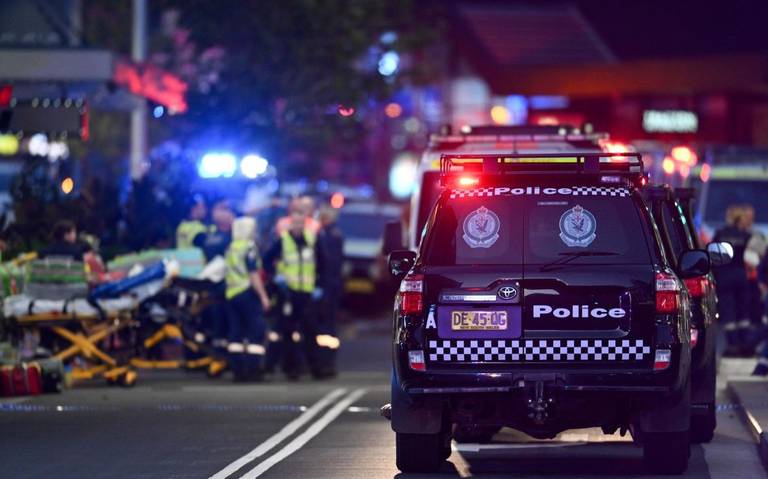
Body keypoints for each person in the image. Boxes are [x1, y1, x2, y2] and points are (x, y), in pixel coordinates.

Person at [263, 207, 326, 379]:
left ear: (305, 223)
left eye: (301, 222)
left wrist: (319, 285)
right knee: (288, 333)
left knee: (310, 332)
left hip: (307, 293)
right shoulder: (283, 240)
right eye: (295, 222)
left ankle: (316, 369)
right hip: (288, 294)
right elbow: (266, 260)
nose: (298, 226)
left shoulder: (312, 239)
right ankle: (291, 369)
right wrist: (276, 277)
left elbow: (322, 263)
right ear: (291, 223)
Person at [225, 217, 271, 381]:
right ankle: (253, 370)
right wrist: (264, 296)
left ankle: (238, 371)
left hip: (231, 294)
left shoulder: (231, 247)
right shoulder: (249, 247)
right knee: (255, 331)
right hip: (247, 292)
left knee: (235, 333)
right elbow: (253, 274)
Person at [713, 205, 753, 356]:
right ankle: (745, 344)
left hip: (725, 276)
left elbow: (714, 255)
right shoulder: (746, 235)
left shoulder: (721, 234)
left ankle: (732, 345)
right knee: (743, 311)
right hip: (741, 276)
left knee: (728, 311)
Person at [314, 205, 344, 378]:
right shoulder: (334, 234)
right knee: (328, 328)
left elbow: (328, 264)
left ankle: (325, 364)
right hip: (330, 287)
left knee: (325, 328)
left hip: (327, 289)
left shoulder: (328, 236)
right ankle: (326, 364)